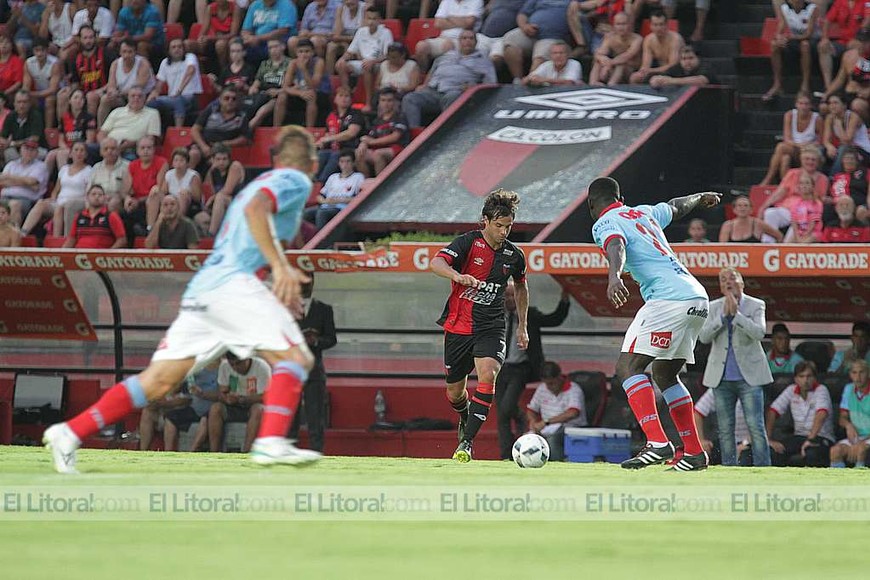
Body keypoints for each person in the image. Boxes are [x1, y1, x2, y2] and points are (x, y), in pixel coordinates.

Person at [43, 126, 322, 474]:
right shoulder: (294, 180)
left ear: (276, 157)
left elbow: (250, 230)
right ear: (311, 163)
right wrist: (281, 268)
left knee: (157, 381)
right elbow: (256, 211)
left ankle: (69, 432)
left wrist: (275, 278)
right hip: (231, 286)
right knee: (294, 358)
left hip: (206, 290)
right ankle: (271, 442)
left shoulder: (260, 183)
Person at [588, 176, 720, 471]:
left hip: (668, 299)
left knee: (627, 367)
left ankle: (658, 443)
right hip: (697, 298)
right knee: (664, 373)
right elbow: (675, 207)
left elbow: (616, 245)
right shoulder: (643, 212)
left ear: (592, 204)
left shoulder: (603, 223)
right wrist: (699, 195)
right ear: (619, 197)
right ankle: (695, 453)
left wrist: (614, 276)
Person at [430, 189, 528, 462]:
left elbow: (521, 287)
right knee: (454, 393)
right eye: (498, 226)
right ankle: (465, 417)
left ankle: (466, 443)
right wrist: (457, 276)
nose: (503, 232)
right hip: (458, 327)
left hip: (492, 326)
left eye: (508, 226)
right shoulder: (467, 243)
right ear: (484, 221)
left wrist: (523, 325)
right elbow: (436, 262)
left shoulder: (514, 255)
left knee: (488, 375)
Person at [699, 268, 774, 467]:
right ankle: (729, 468)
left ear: (742, 283)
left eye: (732, 278)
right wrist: (723, 317)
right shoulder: (713, 307)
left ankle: (763, 468)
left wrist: (737, 315)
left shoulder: (756, 305)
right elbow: (704, 337)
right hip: (721, 378)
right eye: (723, 280)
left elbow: (759, 333)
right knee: (725, 429)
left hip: (749, 378)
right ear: (721, 286)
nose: (728, 282)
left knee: (756, 426)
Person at [497, 286, 569, 459]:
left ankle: (522, 418)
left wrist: (564, 299)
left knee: (507, 407)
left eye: (512, 296)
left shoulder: (530, 315)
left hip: (519, 368)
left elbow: (555, 319)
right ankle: (506, 455)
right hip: (498, 368)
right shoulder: (494, 315)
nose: (509, 300)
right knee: (501, 413)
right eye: (505, 296)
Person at [401, 30, 496, 128]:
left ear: (476, 42)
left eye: (471, 38)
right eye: (464, 38)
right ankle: (413, 133)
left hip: (457, 91)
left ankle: (444, 133)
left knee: (452, 97)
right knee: (410, 98)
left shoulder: (483, 61)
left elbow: (491, 84)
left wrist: (474, 88)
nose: (467, 41)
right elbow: (432, 71)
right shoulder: (446, 56)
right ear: (459, 42)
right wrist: (424, 85)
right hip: (433, 90)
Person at [288, 273, 337, 453]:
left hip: (314, 370)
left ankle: (317, 452)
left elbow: (331, 339)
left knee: (315, 416)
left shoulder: (323, 309)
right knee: (291, 416)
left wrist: (315, 341)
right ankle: (288, 452)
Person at [766, 360, 835, 467]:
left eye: (809, 376)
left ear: (815, 378)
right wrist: (769, 439)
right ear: (795, 379)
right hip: (799, 436)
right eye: (801, 376)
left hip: (821, 437)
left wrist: (810, 440)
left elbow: (821, 414)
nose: (805, 380)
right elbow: (772, 411)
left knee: (811, 453)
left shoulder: (821, 390)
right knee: (774, 451)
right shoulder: (791, 390)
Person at [20, 141, 91, 238]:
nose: (79, 153)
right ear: (70, 154)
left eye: (82, 151)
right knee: (41, 203)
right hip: (60, 201)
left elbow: (88, 192)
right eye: (76, 150)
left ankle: (57, 239)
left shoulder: (88, 170)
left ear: (86, 155)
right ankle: (23, 233)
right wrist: (52, 198)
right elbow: (56, 190)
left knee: (59, 208)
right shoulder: (64, 169)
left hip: (76, 203)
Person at [758, 145, 828, 242]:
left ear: (818, 162)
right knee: (770, 213)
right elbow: (779, 193)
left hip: (806, 214)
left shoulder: (823, 179)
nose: (810, 162)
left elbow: (820, 199)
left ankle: (786, 247)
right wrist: (764, 206)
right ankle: (768, 244)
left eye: (813, 160)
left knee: (797, 227)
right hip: (788, 209)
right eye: (807, 159)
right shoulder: (792, 173)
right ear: (801, 160)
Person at [209, 353, 271, 453]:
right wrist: (227, 398)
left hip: (252, 406)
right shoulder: (225, 366)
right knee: (215, 408)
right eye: (232, 364)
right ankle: (214, 452)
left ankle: (246, 452)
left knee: (258, 409)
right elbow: (222, 391)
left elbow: (265, 397)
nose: (235, 368)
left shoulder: (261, 367)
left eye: (238, 364)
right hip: (234, 406)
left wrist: (242, 399)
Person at [335, 7, 393, 113]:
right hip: (363, 62)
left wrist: (373, 61)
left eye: (374, 19)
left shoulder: (386, 32)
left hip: (379, 63)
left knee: (367, 66)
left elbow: (388, 55)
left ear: (379, 19)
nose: (371, 22)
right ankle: (347, 95)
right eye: (369, 18)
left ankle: (368, 103)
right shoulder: (361, 31)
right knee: (341, 65)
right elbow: (350, 51)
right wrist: (342, 59)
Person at [525, 360, 586, 461]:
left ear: (559, 377)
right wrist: (532, 422)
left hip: (570, 427)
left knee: (553, 440)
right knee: (528, 439)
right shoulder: (542, 389)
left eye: (552, 383)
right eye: (547, 384)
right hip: (546, 427)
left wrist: (546, 422)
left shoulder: (573, 389)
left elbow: (573, 413)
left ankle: (556, 464)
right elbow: (531, 409)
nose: (549, 387)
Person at [501, 0, 573, 82]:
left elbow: (588, 4)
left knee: (540, 56)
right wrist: (524, 26)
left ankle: (529, 83)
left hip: (553, 36)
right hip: (529, 32)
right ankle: (517, 80)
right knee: (510, 39)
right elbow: (522, 14)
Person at [759, 92, 822, 186]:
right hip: (794, 148)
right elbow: (787, 138)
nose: (803, 107)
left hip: (808, 150)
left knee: (781, 148)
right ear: (796, 104)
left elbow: (820, 140)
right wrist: (799, 145)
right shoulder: (790, 115)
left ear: (811, 105)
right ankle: (786, 185)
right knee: (785, 158)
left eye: (806, 104)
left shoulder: (817, 118)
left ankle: (768, 180)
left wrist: (807, 146)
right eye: (801, 103)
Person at [762, 0, 820, 102]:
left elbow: (808, 34)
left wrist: (791, 37)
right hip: (794, 39)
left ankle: (805, 85)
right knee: (774, 45)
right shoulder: (785, 8)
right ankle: (777, 84)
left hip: (811, 41)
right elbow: (781, 26)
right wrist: (779, 38)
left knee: (805, 45)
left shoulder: (812, 8)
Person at [146, 38, 204, 129]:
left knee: (178, 100)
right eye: (173, 47)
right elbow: (159, 85)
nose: (177, 49)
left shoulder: (190, 57)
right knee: (152, 104)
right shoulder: (165, 62)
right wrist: (150, 98)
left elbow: (191, 70)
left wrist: (180, 90)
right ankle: (153, 133)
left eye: (179, 47)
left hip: (190, 97)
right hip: (171, 98)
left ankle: (177, 132)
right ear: (169, 51)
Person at [413, 0, 483, 72]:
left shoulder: (476, 1)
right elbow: (438, 23)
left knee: (448, 46)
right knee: (421, 46)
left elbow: (469, 23)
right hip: (443, 37)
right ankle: (423, 74)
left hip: (463, 39)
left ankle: (445, 74)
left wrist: (449, 18)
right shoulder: (447, 1)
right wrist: (462, 21)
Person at [275, 38, 331, 128]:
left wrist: (304, 69)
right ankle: (275, 128)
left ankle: (310, 129)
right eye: (300, 52)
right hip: (302, 92)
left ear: (313, 52)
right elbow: (285, 87)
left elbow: (314, 86)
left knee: (311, 95)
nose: (304, 54)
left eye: (307, 51)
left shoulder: (319, 62)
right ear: (296, 53)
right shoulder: (293, 63)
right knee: (282, 95)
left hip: (320, 93)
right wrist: (300, 93)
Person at [315, 86, 366, 183]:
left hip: (350, 148)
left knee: (335, 155)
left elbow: (351, 133)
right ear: (335, 99)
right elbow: (328, 134)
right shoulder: (331, 116)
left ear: (351, 100)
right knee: (321, 154)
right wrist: (321, 142)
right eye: (341, 95)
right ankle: (313, 181)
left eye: (347, 96)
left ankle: (321, 182)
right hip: (333, 149)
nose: (344, 98)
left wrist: (329, 139)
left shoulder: (356, 114)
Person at [304, 149, 364, 229]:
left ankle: (322, 239)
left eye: (348, 161)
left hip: (342, 208)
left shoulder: (358, 177)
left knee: (322, 213)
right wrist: (325, 201)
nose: (345, 165)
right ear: (338, 163)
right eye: (342, 162)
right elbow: (320, 196)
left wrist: (338, 200)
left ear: (353, 163)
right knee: (305, 213)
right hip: (326, 205)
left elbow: (359, 198)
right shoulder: (333, 177)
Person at [355, 87, 408, 177]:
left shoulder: (400, 117)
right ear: (379, 102)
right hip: (379, 148)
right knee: (359, 152)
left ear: (395, 102)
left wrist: (372, 142)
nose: (386, 104)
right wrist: (363, 143)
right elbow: (369, 137)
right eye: (383, 100)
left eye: (389, 100)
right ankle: (367, 183)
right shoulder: (377, 120)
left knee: (378, 154)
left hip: (398, 148)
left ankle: (380, 184)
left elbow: (394, 137)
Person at [693, 388, 750, 466]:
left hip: (748, 444)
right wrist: (700, 441)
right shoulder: (716, 389)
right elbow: (697, 412)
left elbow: (759, 424)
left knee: (747, 457)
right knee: (706, 456)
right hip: (724, 443)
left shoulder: (753, 390)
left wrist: (746, 443)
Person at [0, 138, 49, 227]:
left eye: (32, 150)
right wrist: (26, 183)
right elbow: (1, 181)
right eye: (26, 148)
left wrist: (9, 177)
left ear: (37, 153)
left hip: (26, 200)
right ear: (20, 150)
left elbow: (31, 181)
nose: (29, 152)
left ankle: (14, 236)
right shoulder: (11, 164)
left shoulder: (40, 166)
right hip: (4, 197)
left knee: (14, 204)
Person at [830, 360, 870, 468]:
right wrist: (848, 425)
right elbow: (842, 418)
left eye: (862, 372)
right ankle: (839, 482)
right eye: (854, 372)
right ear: (850, 374)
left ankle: (858, 482)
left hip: (867, 438)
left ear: (868, 373)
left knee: (861, 451)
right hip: (857, 437)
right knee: (835, 451)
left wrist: (861, 444)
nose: (858, 377)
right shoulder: (848, 389)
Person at [63, 184, 127, 249]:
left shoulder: (111, 216)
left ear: (104, 198)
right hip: (79, 255)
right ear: (87, 197)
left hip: (100, 256)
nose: (97, 197)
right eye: (93, 194)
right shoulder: (79, 216)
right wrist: (61, 253)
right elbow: (71, 239)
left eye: (100, 195)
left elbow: (122, 240)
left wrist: (108, 253)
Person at [628, 10, 683, 85]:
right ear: (650, 25)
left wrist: (651, 70)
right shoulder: (648, 40)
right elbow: (645, 65)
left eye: (661, 24)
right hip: (659, 71)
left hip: (677, 73)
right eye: (655, 25)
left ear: (667, 25)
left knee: (656, 81)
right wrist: (641, 73)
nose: (658, 28)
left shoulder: (675, 39)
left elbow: (672, 65)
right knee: (634, 77)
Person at [588, 11, 642, 86]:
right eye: (618, 24)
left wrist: (608, 65)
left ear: (629, 25)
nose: (621, 27)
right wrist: (603, 59)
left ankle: (612, 85)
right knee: (598, 61)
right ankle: (593, 83)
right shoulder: (610, 37)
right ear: (614, 25)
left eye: (624, 24)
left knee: (621, 64)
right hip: (613, 69)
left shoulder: (637, 39)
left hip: (631, 71)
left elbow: (627, 56)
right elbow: (599, 54)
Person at [201, 143, 244, 236]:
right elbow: (212, 192)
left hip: (239, 203)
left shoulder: (235, 166)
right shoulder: (212, 172)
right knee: (200, 218)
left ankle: (211, 234)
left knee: (220, 197)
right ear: (212, 160)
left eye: (224, 159)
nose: (221, 162)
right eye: (218, 159)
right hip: (223, 206)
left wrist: (212, 199)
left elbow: (228, 190)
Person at [23, 37, 60, 129]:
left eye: (42, 50)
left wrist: (34, 94)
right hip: (38, 91)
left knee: (49, 100)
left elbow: (53, 89)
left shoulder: (55, 63)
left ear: (47, 50)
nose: (39, 53)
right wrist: (27, 94)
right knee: (25, 99)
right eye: (36, 50)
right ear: (33, 51)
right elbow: (26, 86)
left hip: (55, 92)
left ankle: (48, 129)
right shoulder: (28, 63)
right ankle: (32, 128)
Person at [648, 45, 715, 89]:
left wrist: (671, 81)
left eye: (691, 58)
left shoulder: (705, 66)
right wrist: (655, 80)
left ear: (698, 58)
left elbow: (701, 81)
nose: (687, 62)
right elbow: (660, 77)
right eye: (684, 59)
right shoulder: (677, 67)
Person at [783, 172, 823, 242]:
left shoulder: (816, 203)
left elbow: (813, 223)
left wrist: (805, 235)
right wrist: (797, 236)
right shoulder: (795, 203)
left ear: (812, 186)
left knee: (805, 243)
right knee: (787, 244)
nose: (804, 186)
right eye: (801, 183)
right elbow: (794, 222)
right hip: (799, 232)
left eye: (807, 183)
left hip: (813, 233)